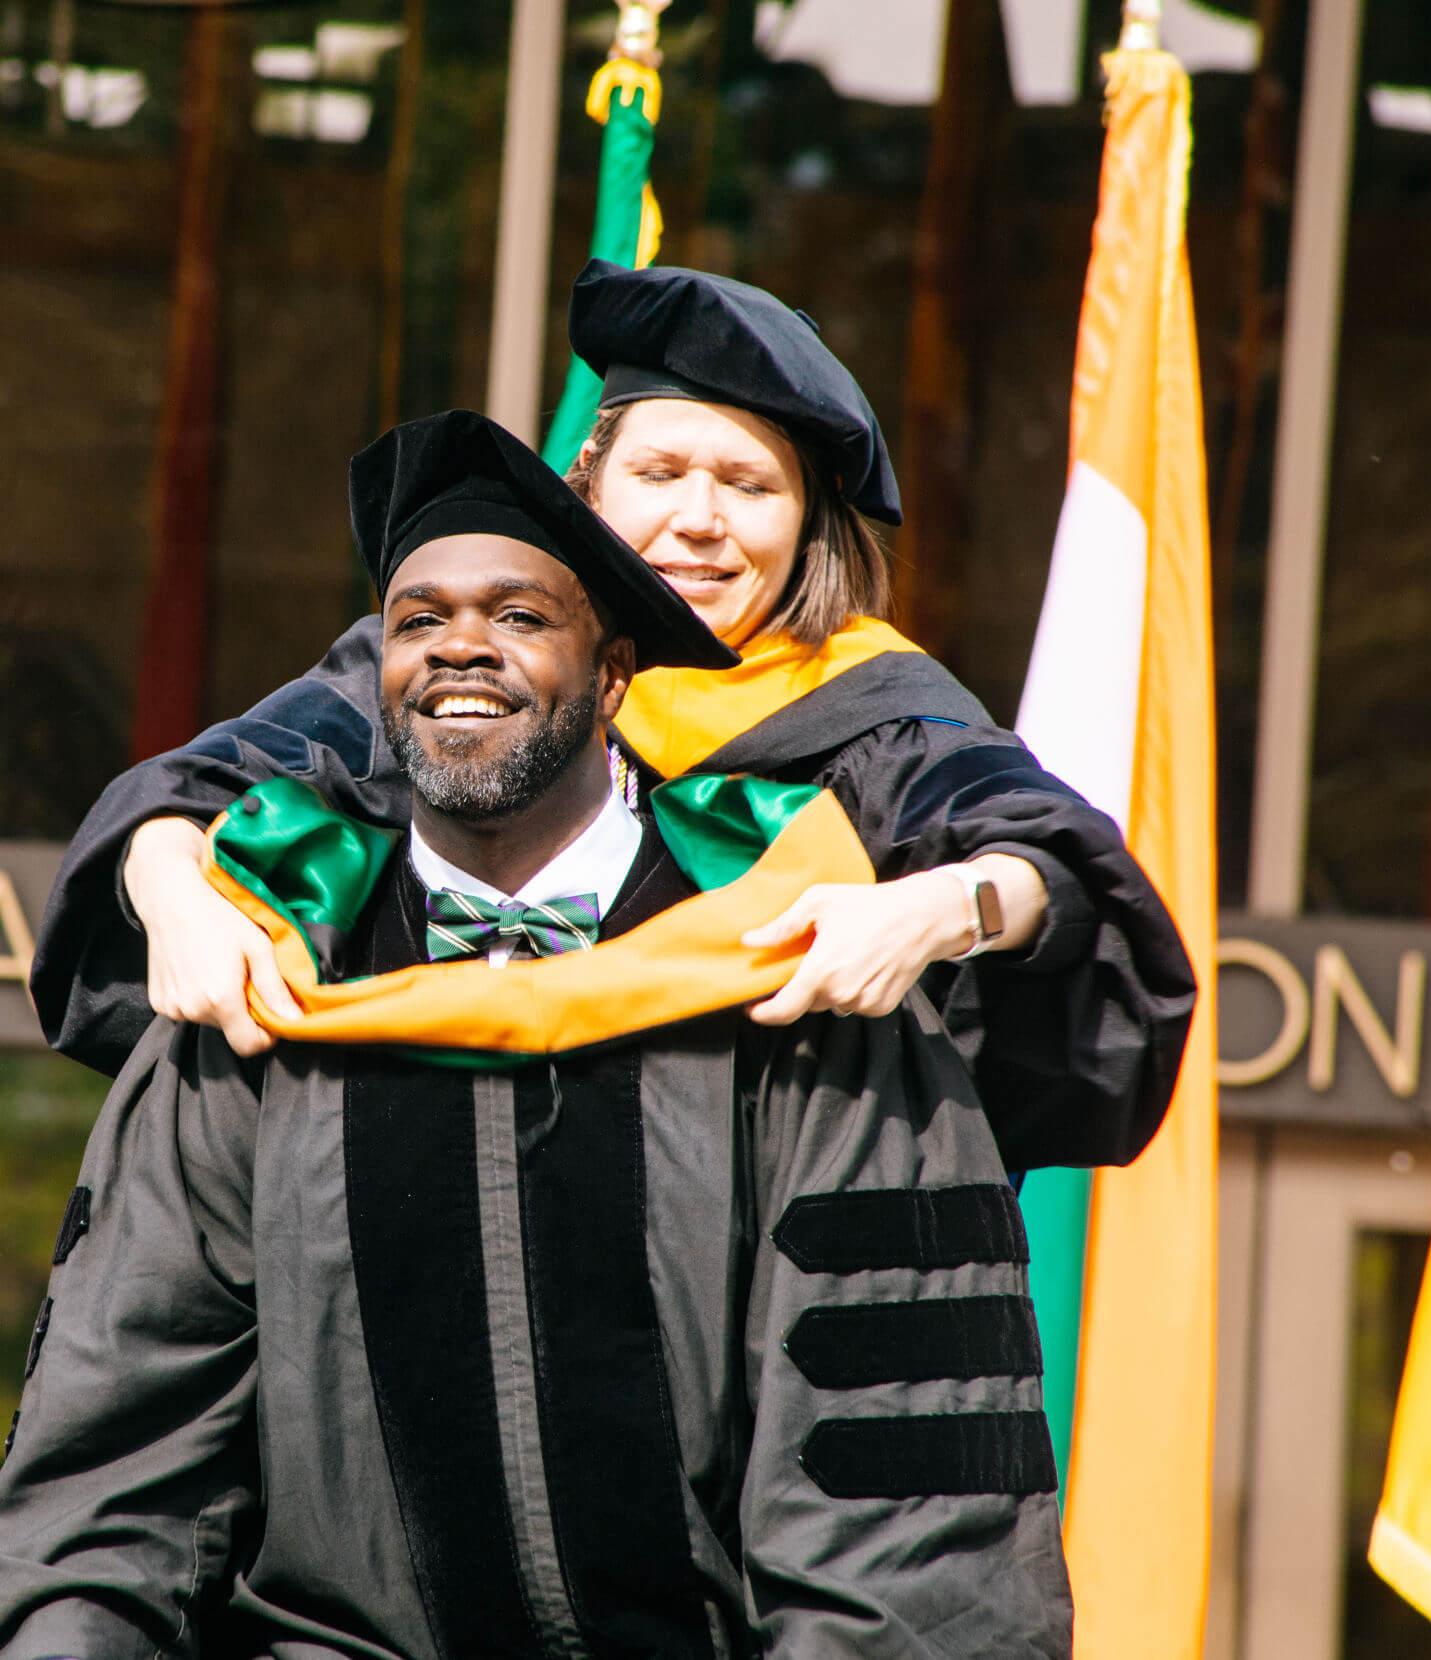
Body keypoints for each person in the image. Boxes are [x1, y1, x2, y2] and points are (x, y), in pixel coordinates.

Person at [0, 411, 1072, 1659]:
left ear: (616, 674)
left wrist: (967, 896)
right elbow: (113, 1480)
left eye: (518, 617)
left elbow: (902, 1536)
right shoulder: (269, 995)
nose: (463, 648)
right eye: (419, 621)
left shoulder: (797, 993)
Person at [30, 262, 1195, 1174]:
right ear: (586, 491)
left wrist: (940, 909)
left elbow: (1056, 869)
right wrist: (175, 890)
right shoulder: (467, 669)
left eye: (747, 485)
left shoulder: (875, 714)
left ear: (809, 530)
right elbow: (195, 791)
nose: (698, 519)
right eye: (660, 473)